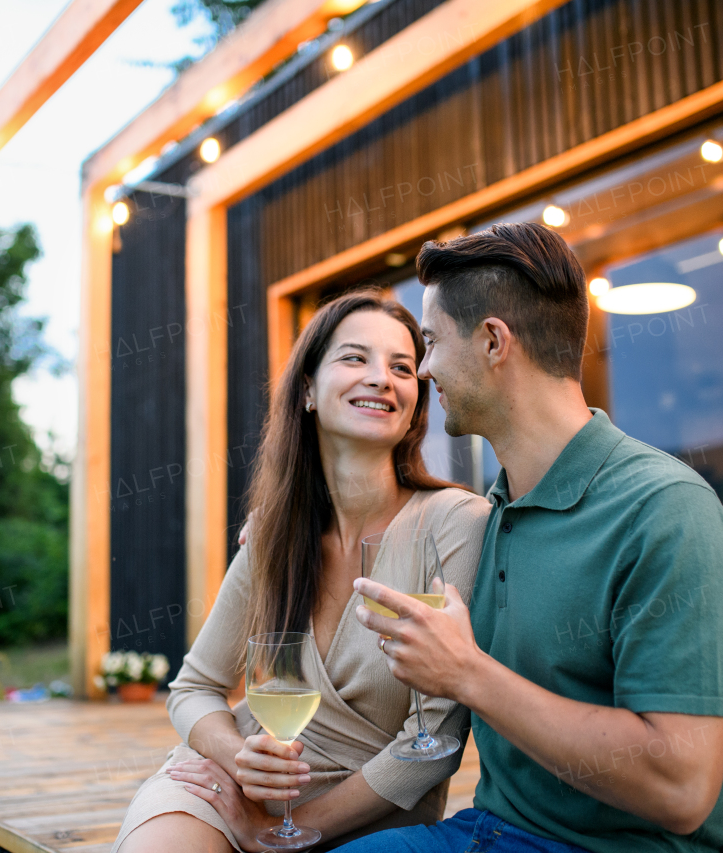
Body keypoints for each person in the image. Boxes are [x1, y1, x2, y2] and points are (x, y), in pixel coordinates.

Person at [340, 222, 723, 853]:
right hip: (490, 830)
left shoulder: (665, 511)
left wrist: (469, 674)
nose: (422, 370)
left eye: (430, 343)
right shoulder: (493, 511)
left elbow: (683, 790)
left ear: (493, 342)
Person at [114, 291, 492, 853]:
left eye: (402, 367)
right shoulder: (275, 533)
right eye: (355, 358)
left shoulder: (456, 523)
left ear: (417, 401)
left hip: (361, 819)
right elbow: (194, 687)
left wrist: (281, 830)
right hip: (226, 790)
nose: (381, 379)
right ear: (309, 389)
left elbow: (432, 738)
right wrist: (235, 755)